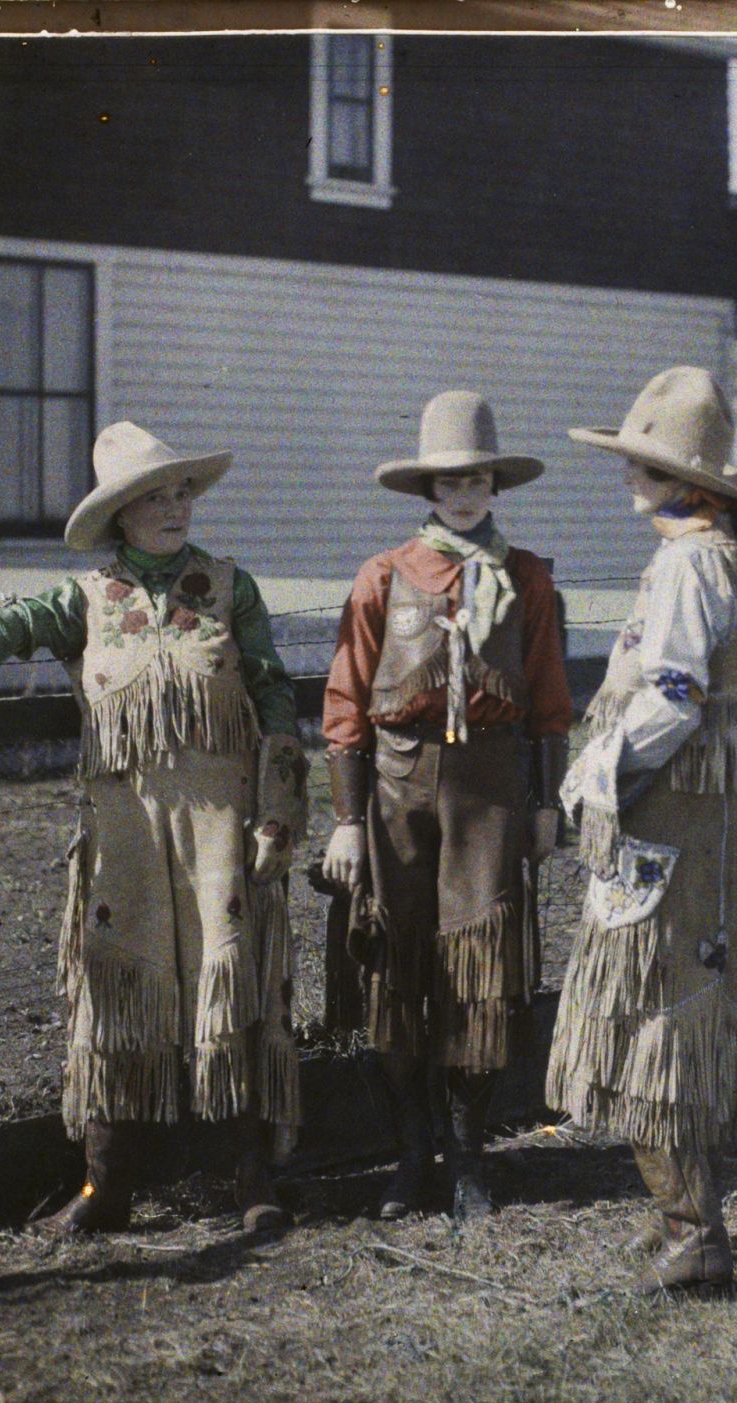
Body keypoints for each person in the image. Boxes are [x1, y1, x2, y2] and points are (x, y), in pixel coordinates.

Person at [0, 421, 307, 1237]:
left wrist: (279, 811)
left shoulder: (229, 587)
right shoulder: (84, 601)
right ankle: (108, 1187)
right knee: (116, 998)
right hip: (127, 836)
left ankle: (252, 1179)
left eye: (180, 491)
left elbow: (276, 692)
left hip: (220, 832)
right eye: (154, 496)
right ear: (119, 515)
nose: (174, 507)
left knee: (231, 985)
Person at [545, 365, 737, 1292]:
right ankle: (686, 1220)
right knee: (674, 1003)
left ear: (682, 480)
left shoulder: (689, 565)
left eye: (641, 464)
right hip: (690, 822)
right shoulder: (716, 556)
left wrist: (595, 774)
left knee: (656, 1011)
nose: (627, 477)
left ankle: (696, 1234)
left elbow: (675, 699)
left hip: (665, 823)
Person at [322, 390, 572, 1221]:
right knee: (397, 972)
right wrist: (350, 821)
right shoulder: (384, 576)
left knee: (480, 973)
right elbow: (347, 701)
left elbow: (548, 699)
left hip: (492, 790)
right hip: (395, 788)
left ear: (495, 482)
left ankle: (470, 1156)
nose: (462, 495)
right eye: (447, 481)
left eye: (476, 480)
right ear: (426, 486)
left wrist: (543, 805)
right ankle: (409, 1155)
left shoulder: (528, 577)